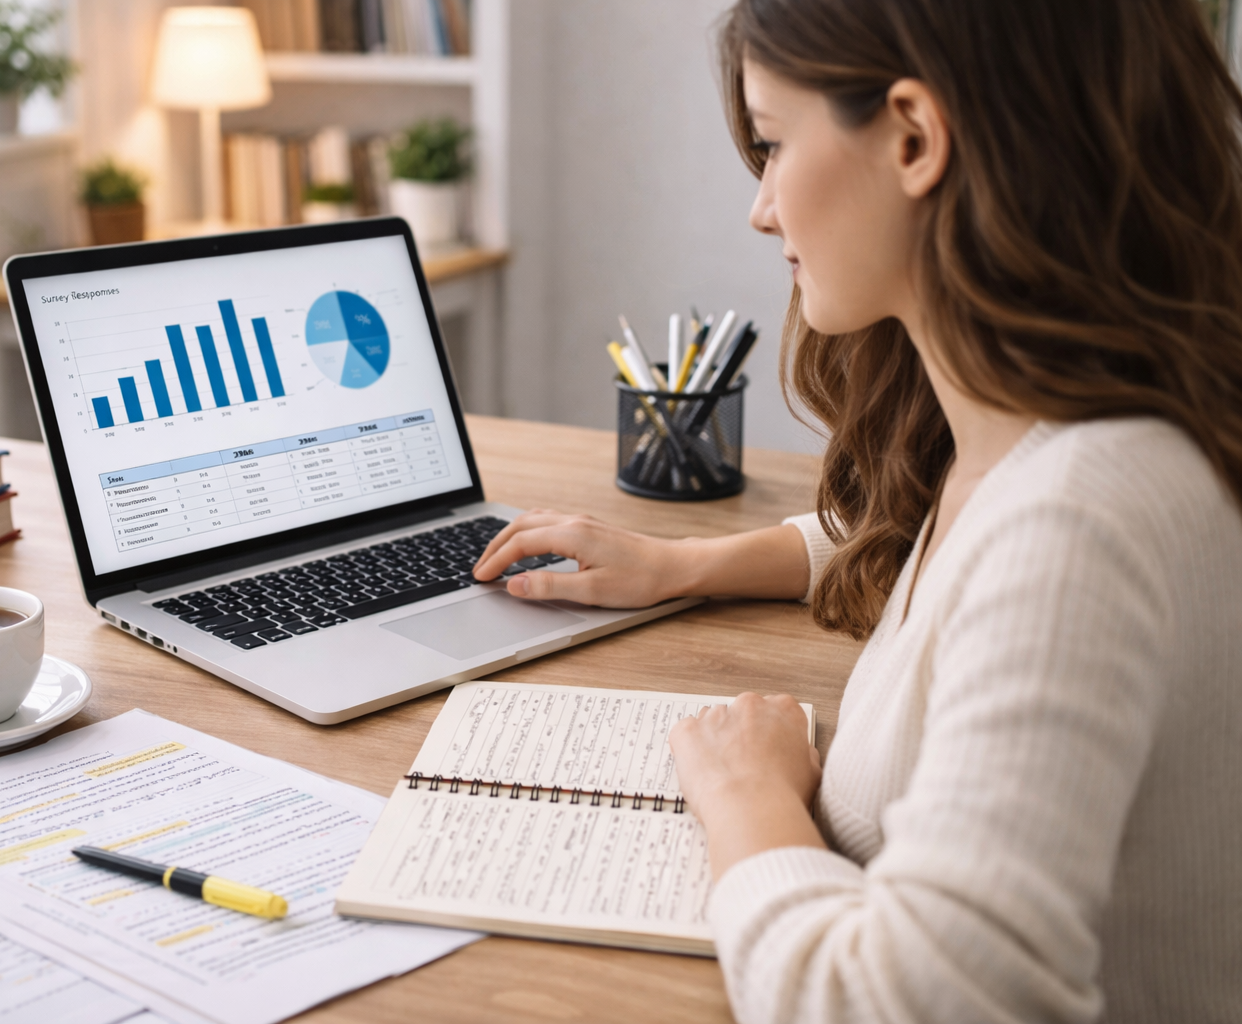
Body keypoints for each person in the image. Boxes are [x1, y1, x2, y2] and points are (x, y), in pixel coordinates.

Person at [472, 0, 1242, 1020]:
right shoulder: (1069, 446)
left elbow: (903, 1005)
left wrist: (747, 797)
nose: (762, 209)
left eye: (775, 144)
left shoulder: (1079, 526)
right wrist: (684, 565)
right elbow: (947, 553)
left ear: (915, 138)